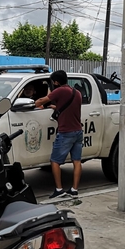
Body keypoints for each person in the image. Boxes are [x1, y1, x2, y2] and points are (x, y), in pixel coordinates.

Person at [35, 70, 82, 199]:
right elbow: (71, 109)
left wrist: (36, 102)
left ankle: (59, 189)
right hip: (78, 131)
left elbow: (39, 102)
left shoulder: (59, 91)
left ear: (55, 82)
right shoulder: (76, 92)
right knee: (77, 161)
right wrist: (56, 108)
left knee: (55, 161)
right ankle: (74, 190)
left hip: (66, 132)